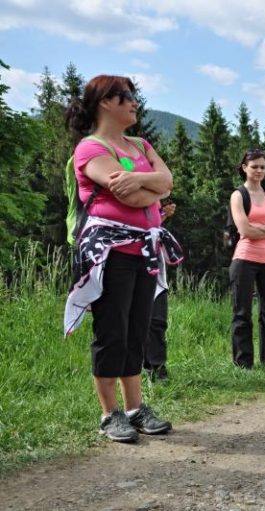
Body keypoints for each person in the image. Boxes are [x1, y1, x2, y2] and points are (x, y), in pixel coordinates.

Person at [64, 75, 180, 443]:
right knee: (111, 330)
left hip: (145, 250)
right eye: (127, 96)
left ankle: (135, 408)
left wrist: (148, 184)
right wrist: (154, 188)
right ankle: (109, 414)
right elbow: (127, 195)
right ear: (105, 102)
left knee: (137, 330)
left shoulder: (139, 144)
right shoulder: (89, 148)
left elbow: (167, 180)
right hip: (110, 254)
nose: (134, 103)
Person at [229, 149, 265, 371]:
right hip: (244, 258)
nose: (259, 171)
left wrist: (259, 229)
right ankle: (243, 364)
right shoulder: (238, 195)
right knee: (242, 312)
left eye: (262, 167)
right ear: (244, 167)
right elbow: (244, 229)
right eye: (254, 166)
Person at [143, 200, 176, 383]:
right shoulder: (128, 172)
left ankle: (158, 369)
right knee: (136, 322)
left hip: (154, 267)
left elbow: (152, 224)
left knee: (157, 321)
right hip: (129, 261)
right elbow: (129, 169)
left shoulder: (152, 189)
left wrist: (162, 215)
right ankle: (140, 369)